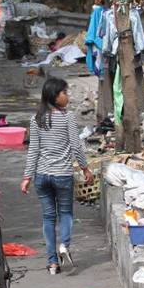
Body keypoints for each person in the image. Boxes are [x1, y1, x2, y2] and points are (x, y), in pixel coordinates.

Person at [21, 77, 94, 275]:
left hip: (42, 176)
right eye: (64, 93)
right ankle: (65, 245)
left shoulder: (36, 119)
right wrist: (85, 168)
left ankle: (53, 263)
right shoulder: (67, 117)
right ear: (54, 96)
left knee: (48, 218)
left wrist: (27, 177)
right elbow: (76, 145)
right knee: (66, 214)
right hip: (62, 175)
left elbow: (33, 150)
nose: (67, 96)